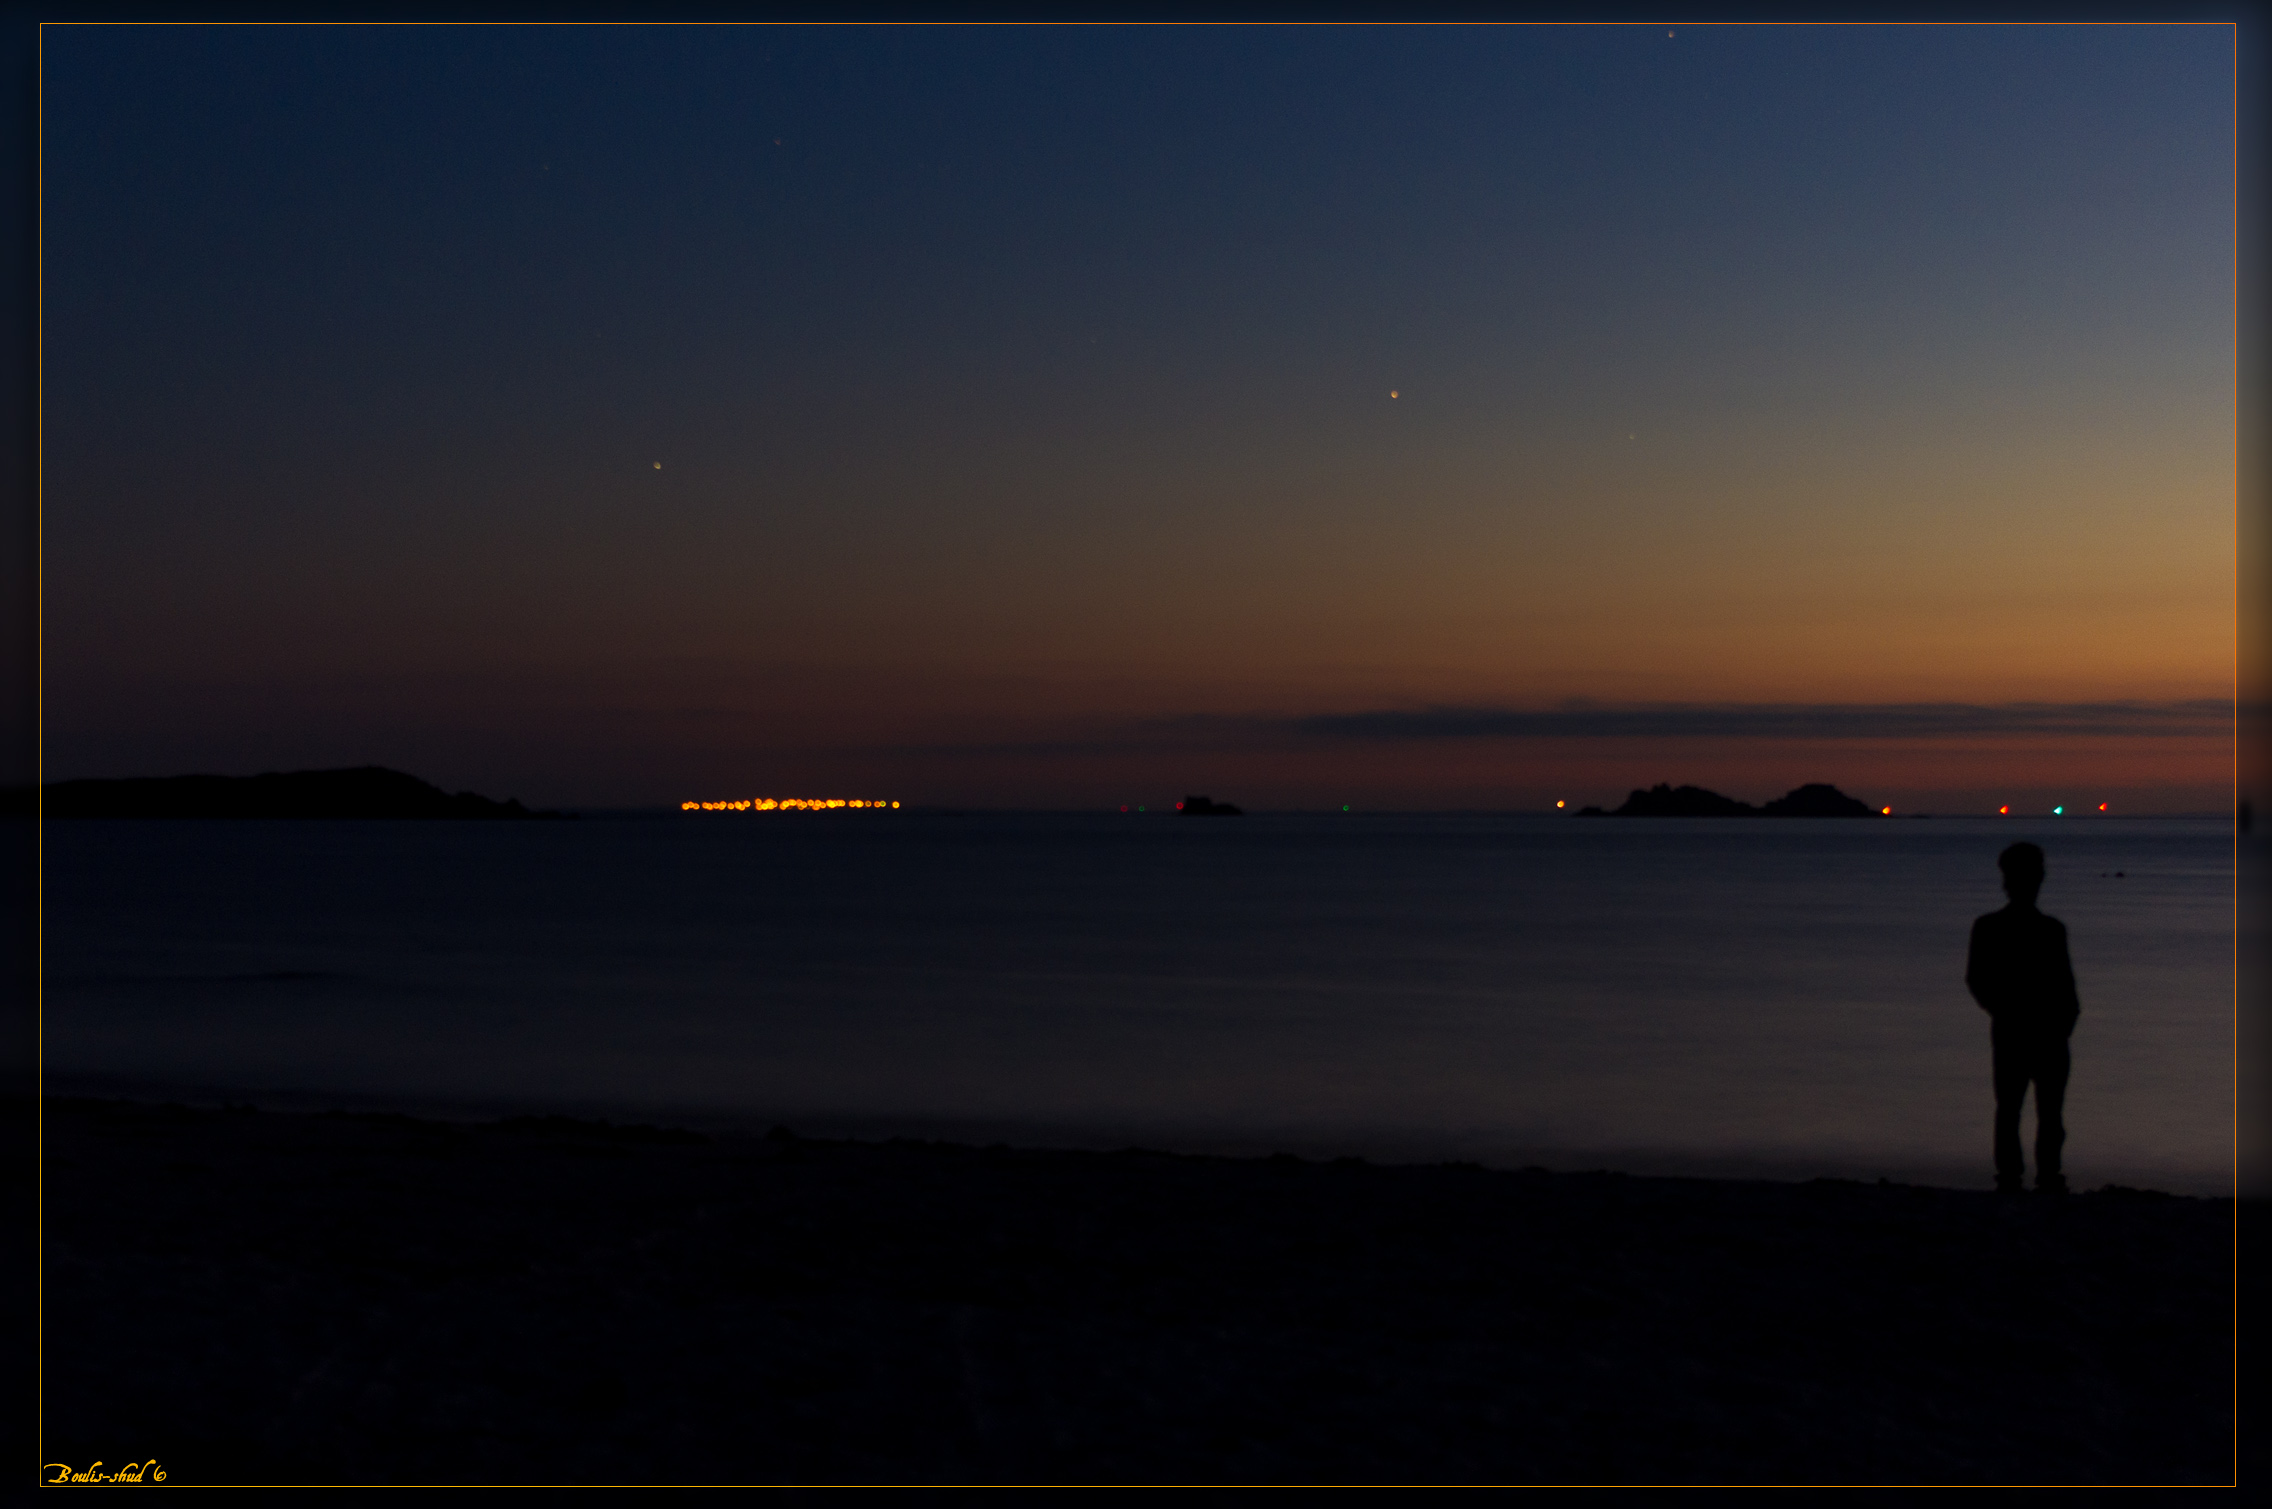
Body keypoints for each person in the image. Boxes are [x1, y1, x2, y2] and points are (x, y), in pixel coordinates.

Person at [1964, 842, 2080, 1195]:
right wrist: (2007, 1011)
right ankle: (2030, 1176)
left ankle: (2031, 1176)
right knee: (2026, 1110)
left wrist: (2064, 1021)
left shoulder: (2046, 929)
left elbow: (2065, 986)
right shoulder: (2000, 928)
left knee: (2028, 1110)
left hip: (2036, 1029)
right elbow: (1978, 980)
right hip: (2028, 1029)